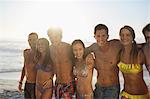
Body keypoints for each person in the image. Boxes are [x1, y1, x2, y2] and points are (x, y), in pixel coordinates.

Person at [86, 24, 122, 99]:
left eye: (103, 36)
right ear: (94, 37)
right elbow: (80, 51)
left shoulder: (116, 45)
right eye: (98, 36)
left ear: (107, 36)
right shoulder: (94, 47)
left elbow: (131, 46)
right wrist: (88, 57)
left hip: (112, 88)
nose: (101, 39)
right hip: (99, 87)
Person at [118, 25, 149, 99]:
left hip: (141, 95)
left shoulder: (140, 53)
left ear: (132, 37)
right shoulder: (119, 53)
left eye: (128, 35)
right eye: (122, 35)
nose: (124, 37)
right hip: (126, 94)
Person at [47, 27, 76, 99]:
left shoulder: (68, 47)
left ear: (61, 36)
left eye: (56, 36)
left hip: (69, 83)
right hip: (58, 84)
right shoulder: (49, 49)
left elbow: (79, 58)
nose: (53, 39)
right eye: (51, 37)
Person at [18, 32, 38, 99]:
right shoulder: (26, 52)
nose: (32, 42)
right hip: (27, 84)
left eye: (34, 39)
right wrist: (20, 82)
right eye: (30, 40)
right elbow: (25, 67)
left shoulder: (41, 53)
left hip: (37, 85)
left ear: (37, 40)